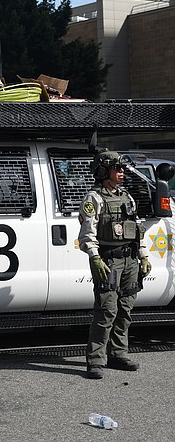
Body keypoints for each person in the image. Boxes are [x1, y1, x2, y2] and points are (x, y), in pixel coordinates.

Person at [78, 150, 152, 380]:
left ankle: (118, 354)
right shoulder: (94, 198)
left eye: (122, 169)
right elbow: (86, 234)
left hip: (129, 259)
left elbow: (136, 230)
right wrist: (95, 257)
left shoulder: (126, 197)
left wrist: (143, 255)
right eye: (117, 169)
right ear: (104, 171)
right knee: (106, 310)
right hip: (108, 259)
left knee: (125, 309)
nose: (122, 173)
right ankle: (96, 360)